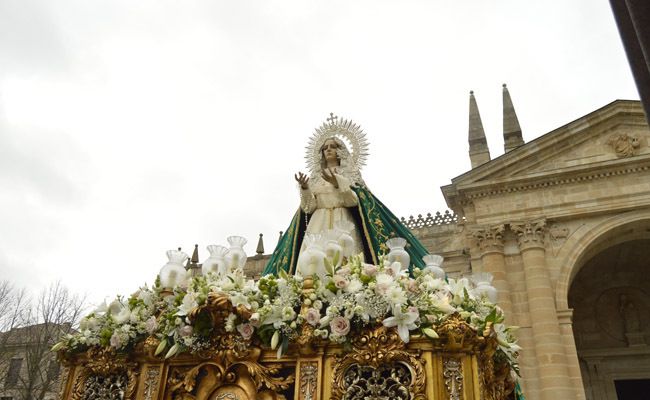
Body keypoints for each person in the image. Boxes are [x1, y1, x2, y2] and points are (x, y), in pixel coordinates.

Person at [263, 115, 429, 276]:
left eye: (333, 146)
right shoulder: (315, 178)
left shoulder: (349, 174)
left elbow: (354, 201)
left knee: (345, 262)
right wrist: (305, 188)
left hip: (343, 222)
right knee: (313, 263)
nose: (328, 150)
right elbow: (309, 207)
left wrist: (338, 183)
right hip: (318, 224)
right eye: (325, 148)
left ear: (340, 151)